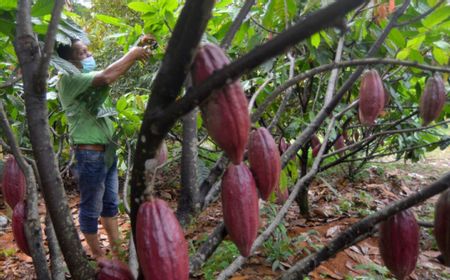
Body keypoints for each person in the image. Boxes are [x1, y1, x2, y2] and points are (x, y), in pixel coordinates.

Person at [56, 38, 150, 259]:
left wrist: (136, 45)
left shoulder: (87, 81)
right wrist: (134, 53)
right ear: (68, 61)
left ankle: (117, 254)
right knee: (90, 207)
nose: (89, 56)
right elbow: (107, 75)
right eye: (82, 53)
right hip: (89, 154)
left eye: (88, 51)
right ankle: (99, 259)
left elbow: (111, 71)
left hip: (105, 152)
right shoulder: (69, 80)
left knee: (110, 204)